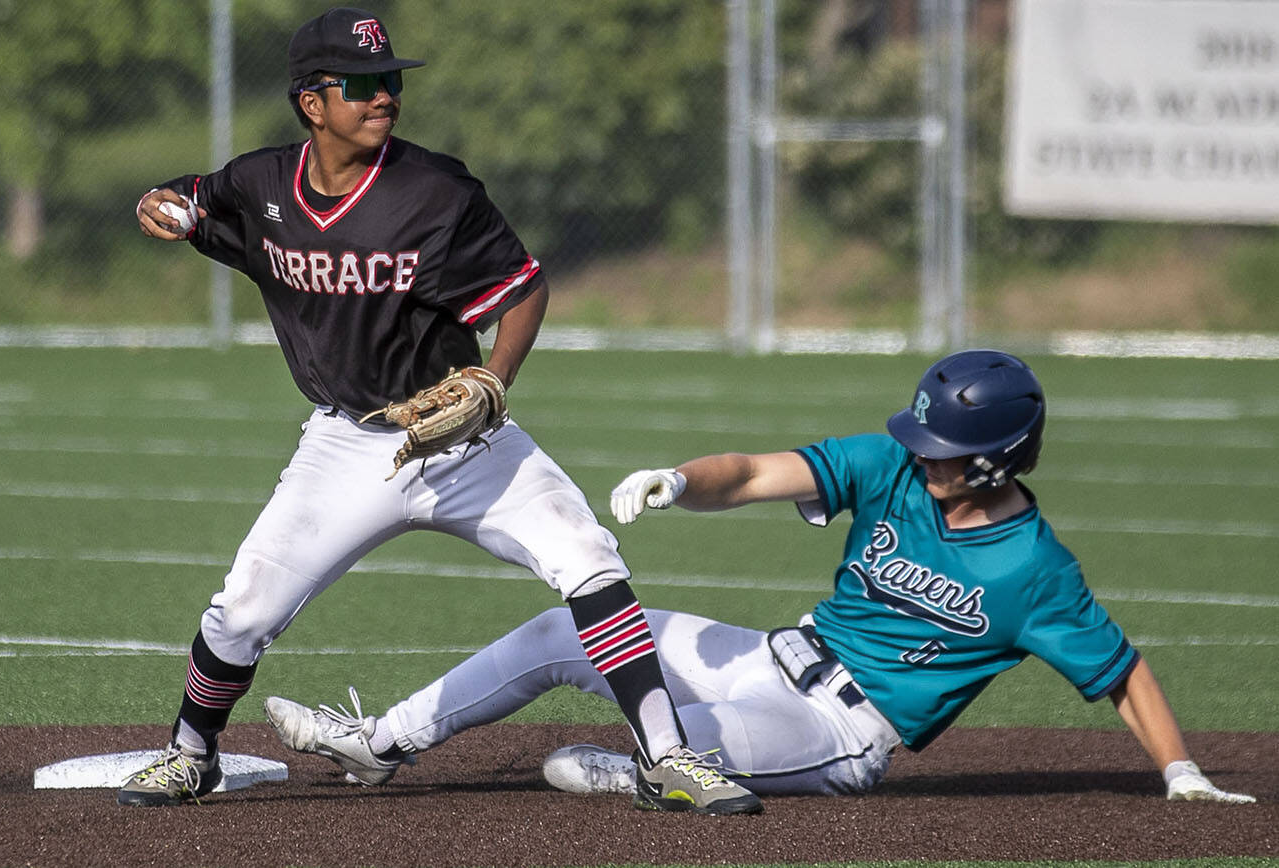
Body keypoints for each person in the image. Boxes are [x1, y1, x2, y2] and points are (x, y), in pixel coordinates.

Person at [117, 6, 760, 816]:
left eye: (389, 80)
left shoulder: (435, 190)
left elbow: (524, 288)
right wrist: (159, 202)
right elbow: (194, 197)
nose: (384, 96)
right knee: (242, 610)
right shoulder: (261, 182)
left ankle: (668, 758)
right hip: (350, 442)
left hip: (468, 441)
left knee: (590, 558)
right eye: (361, 84)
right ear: (311, 102)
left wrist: (494, 381)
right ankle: (190, 754)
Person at [264, 349, 1255, 804]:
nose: (923, 451)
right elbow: (756, 473)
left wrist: (1181, 771)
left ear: (999, 459)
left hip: (842, 729)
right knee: (575, 628)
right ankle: (383, 741)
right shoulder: (894, 466)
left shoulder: (1035, 570)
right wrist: (676, 479)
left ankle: (642, 775)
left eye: (946, 443)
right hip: (774, 657)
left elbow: (1119, 671)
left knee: (673, 743)